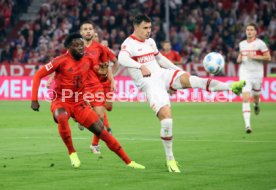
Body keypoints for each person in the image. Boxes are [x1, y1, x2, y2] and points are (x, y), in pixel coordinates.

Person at [118, 14, 245, 173]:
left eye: (150, 28)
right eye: (145, 28)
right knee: (167, 120)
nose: (148, 31)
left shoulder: (150, 42)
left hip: (162, 74)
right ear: (135, 27)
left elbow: (161, 59)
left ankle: (230, 87)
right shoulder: (128, 44)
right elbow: (121, 58)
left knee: (193, 80)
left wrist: (178, 71)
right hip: (150, 83)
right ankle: (170, 159)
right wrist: (139, 66)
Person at [31, 33, 145, 169]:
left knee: (102, 132)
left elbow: (97, 76)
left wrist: (103, 75)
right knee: (61, 116)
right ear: (69, 47)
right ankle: (72, 153)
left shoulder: (89, 60)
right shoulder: (59, 61)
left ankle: (129, 162)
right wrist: (34, 99)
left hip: (80, 103)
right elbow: (38, 75)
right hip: (61, 101)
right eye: (76, 45)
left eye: (81, 45)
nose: (80, 48)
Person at [79, 21, 117, 154]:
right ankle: (81, 119)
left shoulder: (101, 48)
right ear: (81, 32)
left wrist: (109, 77)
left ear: (93, 31)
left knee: (101, 117)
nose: (88, 31)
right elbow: (63, 62)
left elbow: (112, 63)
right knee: (84, 112)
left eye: (90, 29)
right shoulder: (76, 47)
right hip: (81, 87)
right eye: (85, 29)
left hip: (96, 86)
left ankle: (94, 144)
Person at [237, 23, 271, 133]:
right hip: (245, 72)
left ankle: (256, 104)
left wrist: (255, 56)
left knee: (256, 96)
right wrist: (239, 59)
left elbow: (268, 57)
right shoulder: (241, 44)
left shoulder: (260, 44)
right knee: (245, 97)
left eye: (251, 30)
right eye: (247, 30)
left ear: (256, 32)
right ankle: (248, 125)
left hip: (257, 73)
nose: (249, 31)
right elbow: (240, 56)